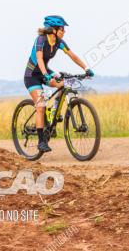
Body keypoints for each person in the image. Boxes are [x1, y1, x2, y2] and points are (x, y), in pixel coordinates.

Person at [23, 15, 93, 152]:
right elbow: (39, 59)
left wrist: (85, 68)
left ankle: (54, 112)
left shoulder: (59, 42)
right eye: (62, 29)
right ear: (53, 29)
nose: (64, 31)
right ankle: (41, 142)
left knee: (64, 84)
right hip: (32, 75)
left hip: (46, 72)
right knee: (41, 106)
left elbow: (72, 55)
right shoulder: (41, 40)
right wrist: (45, 74)